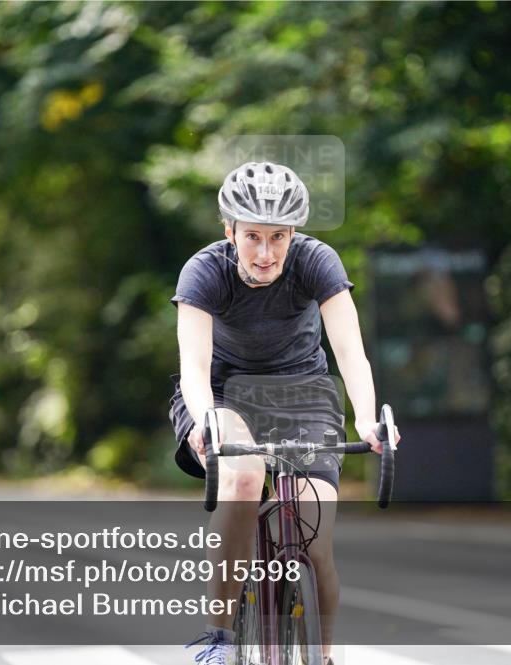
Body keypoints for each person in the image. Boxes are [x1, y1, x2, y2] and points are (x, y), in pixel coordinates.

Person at [169, 161, 399, 665]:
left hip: (304, 393)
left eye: (279, 237)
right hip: (222, 393)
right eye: (252, 236)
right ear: (229, 230)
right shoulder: (203, 272)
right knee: (246, 476)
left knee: (317, 546)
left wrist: (367, 419)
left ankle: (324, 658)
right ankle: (219, 637)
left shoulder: (317, 261)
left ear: (294, 233)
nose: (266, 252)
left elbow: (349, 350)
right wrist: (206, 420)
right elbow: (194, 364)